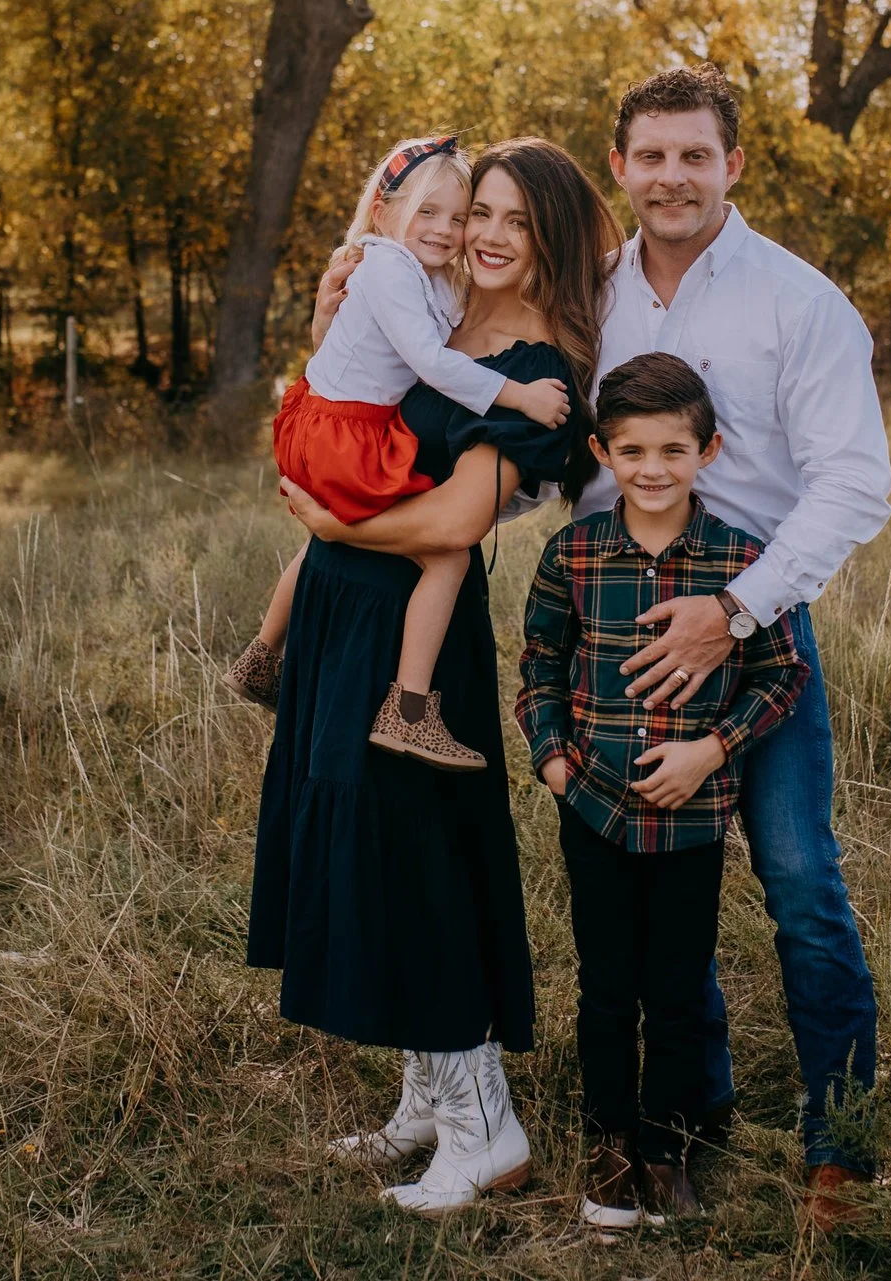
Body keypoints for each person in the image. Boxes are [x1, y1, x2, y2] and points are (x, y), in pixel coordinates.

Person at [257, 137, 621, 1215]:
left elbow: (460, 519)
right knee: (369, 845)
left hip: (407, 629)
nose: (488, 236)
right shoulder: (445, 312)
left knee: (418, 859)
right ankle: (426, 1096)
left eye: (514, 220)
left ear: (553, 235)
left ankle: (485, 1127)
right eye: (481, 216)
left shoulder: (538, 370)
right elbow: (351, 397)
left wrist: (330, 522)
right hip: (345, 610)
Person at [586, 64, 891, 1229]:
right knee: (660, 890)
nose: (672, 176)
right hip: (615, 623)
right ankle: (687, 1113)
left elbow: (854, 483)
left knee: (801, 879)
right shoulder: (592, 294)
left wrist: (737, 608)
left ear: (733, 165)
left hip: (755, 620)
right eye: (651, 155)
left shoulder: (797, 302)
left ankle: (841, 1148)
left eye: (694, 154)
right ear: (619, 165)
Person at [517, 352, 808, 1229]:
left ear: (708, 450)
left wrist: (712, 752)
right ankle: (608, 1145)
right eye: (633, 450)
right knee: (606, 984)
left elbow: (781, 675)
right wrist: (554, 762)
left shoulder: (739, 561)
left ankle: (668, 1148)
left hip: (691, 817)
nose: (652, 469)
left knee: (679, 987)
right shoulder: (573, 552)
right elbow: (538, 663)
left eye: (673, 451)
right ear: (603, 450)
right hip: (594, 806)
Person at [224, 135, 572, 771]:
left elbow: (383, 357)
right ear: (383, 212)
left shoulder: (432, 283)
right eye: (471, 214)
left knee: (334, 535)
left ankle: (264, 654)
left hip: (340, 484)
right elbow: (426, 366)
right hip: (341, 471)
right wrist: (519, 397)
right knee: (447, 562)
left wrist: (335, 526)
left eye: (461, 216)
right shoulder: (397, 273)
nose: (459, 231)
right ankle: (408, 709)